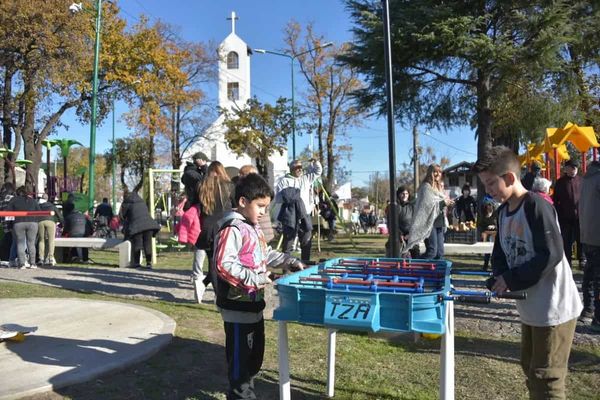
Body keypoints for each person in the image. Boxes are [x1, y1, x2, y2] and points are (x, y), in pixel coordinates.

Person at [473, 146, 582, 399]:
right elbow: (499, 254)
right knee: (530, 368)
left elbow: (551, 254)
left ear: (510, 178)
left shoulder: (536, 206)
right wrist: (499, 277)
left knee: (547, 378)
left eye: (491, 184)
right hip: (531, 309)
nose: (488, 191)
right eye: (485, 185)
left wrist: (511, 278)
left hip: (554, 308)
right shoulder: (502, 213)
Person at [212, 173, 305, 400]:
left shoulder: (252, 227)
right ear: (243, 202)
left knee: (254, 360)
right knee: (240, 366)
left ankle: (245, 388)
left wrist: (288, 261)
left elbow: (265, 255)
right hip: (236, 308)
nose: (264, 211)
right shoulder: (232, 228)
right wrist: (255, 278)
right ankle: (240, 394)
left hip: (254, 307)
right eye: (260, 206)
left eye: (266, 206)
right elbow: (223, 265)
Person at [194, 161, 235, 302]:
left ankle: (205, 283)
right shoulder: (228, 186)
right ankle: (219, 297)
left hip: (207, 227)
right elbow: (235, 204)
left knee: (213, 261)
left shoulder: (202, 186)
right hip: (224, 226)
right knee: (222, 262)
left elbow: (194, 204)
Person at [403, 164, 453, 259]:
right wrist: (443, 203)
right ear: (430, 173)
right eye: (435, 171)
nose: (438, 174)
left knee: (440, 253)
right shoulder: (426, 187)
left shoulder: (439, 188)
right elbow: (426, 206)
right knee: (432, 252)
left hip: (439, 222)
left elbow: (439, 204)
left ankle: (436, 273)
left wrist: (447, 203)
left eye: (439, 172)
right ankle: (416, 267)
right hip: (429, 223)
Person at [276, 158, 322, 262]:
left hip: (305, 215)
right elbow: (278, 199)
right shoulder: (284, 181)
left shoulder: (306, 178)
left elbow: (318, 171)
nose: (300, 170)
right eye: (297, 167)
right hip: (290, 215)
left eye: (301, 167)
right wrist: (289, 196)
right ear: (291, 169)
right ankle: (286, 268)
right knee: (288, 243)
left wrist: (315, 163)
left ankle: (305, 265)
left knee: (306, 241)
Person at [578, 160, 600, 331]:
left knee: (590, 277)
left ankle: (588, 310)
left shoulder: (587, 178)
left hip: (587, 234)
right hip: (597, 234)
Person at [553, 159, 585, 268]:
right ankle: (567, 261)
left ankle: (582, 259)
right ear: (566, 169)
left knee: (580, 239)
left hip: (579, 217)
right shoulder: (560, 182)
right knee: (566, 241)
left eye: (575, 167)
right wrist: (559, 214)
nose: (574, 170)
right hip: (565, 218)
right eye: (572, 167)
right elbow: (555, 200)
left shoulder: (581, 180)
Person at [119, 189, 160, 269]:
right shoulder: (141, 201)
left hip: (137, 226)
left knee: (137, 244)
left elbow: (122, 216)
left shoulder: (126, 203)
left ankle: (137, 263)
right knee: (147, 244)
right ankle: (149, 263)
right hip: (149, 225)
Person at [6, 185, 40, 268]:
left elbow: (9, 213)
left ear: (17, 192)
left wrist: (9, 225)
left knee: (20, 243)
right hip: (32, 222)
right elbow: (39, 211)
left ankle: (22, 264)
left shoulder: (13, 200)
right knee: (31, 243)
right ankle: (32, 263)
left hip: (18, 222)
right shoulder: (33, 201)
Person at [386, 186, 418, 258]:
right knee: (396, 256)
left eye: (406, 193)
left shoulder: (412, 207)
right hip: (397, 237)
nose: (404, 195)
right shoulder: (393, 207)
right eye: (402, 193)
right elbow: (391, 223)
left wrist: (410, 234)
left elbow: (416, 221)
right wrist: (399, 234)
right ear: (398, 194)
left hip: (410, 236)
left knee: (415, 254)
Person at [38, 193, 63, 266]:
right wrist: (62, 224)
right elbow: (59, 215)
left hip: (40, 221)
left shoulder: (39, 206)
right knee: (51, 240)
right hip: (51, 221)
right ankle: (51, 258)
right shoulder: (52, 206)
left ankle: (41, 259)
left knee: (41, 240)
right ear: (47, 199)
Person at [478, 199, 497, 271]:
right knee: (487, 249)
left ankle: (493, 266)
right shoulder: (484, 215)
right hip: (486, 233)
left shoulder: (495, 215)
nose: (489, 208)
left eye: (490, 206)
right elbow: (481, 225)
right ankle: (485, 265)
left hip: (495, 233)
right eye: (487, 206)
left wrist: (493, 226)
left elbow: (499, 224)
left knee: (493, 250)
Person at [0, 182, 16, 264]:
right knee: (13, 242)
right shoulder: (14, 199)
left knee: (7, 240)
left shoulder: (1, 199)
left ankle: (5, 258)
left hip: (4, 224)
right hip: (13, 223)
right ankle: (10, 259)